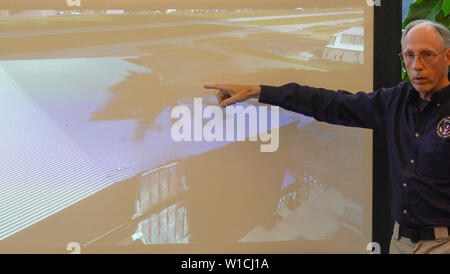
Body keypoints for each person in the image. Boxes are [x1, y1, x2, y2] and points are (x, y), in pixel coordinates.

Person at [204, 19, 450, 254]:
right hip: (401, 241)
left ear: (447, 57)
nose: (417, 65)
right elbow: (330, 103)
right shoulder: (394, 101)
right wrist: (258, 92)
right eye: (409, 55)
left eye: (427, 54)